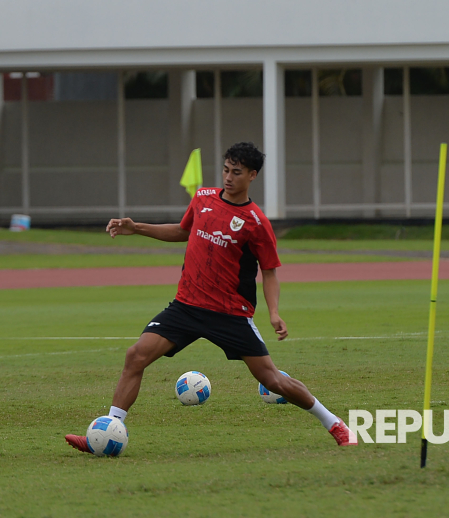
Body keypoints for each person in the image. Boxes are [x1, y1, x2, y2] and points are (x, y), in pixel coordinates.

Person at [65, 142, 355, 452]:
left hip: (229, 314)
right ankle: (108, 432)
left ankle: (334, 423)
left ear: (252, 175)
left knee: (272, 380)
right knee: (135, 355)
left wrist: (273, 312)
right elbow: (182, 230)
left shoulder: (256, 223)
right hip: (186, 306)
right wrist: (136, 227)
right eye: (226, 170)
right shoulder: (203, 198)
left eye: (237, 172)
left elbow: (269, 271)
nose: (229, 177)